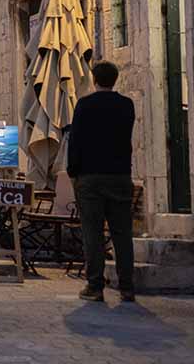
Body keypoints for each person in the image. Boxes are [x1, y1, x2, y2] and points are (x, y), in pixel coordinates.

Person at [68, 60, 136, 302]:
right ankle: (127, 287)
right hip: (119, 175)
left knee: (93, 233)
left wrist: (73, 172)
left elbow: (75, 141)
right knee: (122, 233)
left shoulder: (85, 106)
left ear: (94, 79)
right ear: (115, 79)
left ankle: (95, 286)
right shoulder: (127, 106)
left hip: (90, 177)